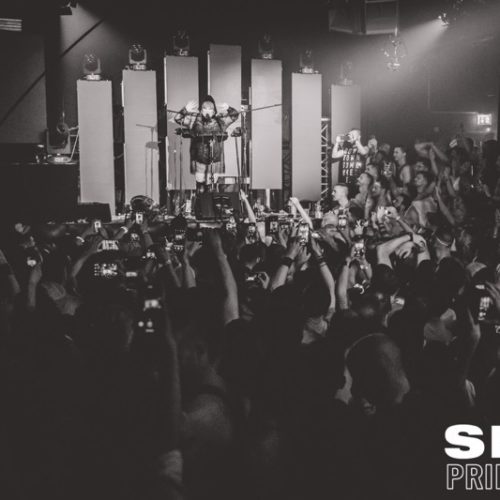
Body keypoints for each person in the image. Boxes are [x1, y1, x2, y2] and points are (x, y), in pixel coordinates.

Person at [174, 96, 239, 194]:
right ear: (201, 110)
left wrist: (228, 108)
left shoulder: (220, 121)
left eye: (210, 108)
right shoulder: (194, 120)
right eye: (205, 108)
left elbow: (234, 116)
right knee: (200, 187)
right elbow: (178, 118)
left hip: (215, 160)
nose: (207, 110)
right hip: (199, 159)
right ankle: (199, 200)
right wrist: (185, 110)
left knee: (211, 188)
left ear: (214, 111)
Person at [332, 128, 368, 194]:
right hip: (345, 182)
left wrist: (356, 141)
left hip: (357, 183)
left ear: (359, 137)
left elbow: (364, 152)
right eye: (349, 134)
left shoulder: (364, 147)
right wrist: (337, 143)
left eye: (353, 134)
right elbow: (334, 155)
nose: (350, 136)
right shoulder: (346, 149)